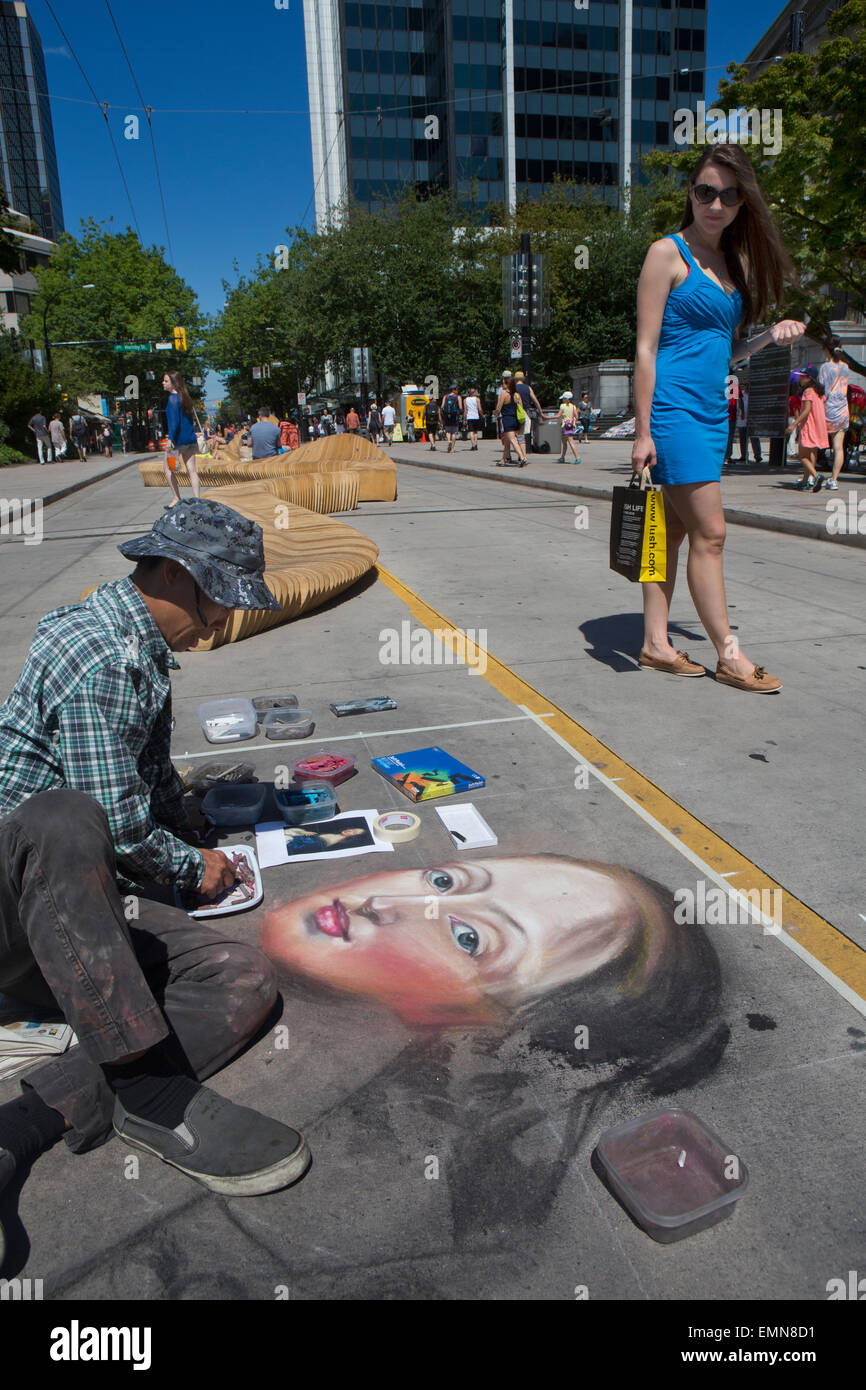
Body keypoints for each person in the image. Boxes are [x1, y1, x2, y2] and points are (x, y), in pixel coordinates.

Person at [0, 506, 309, 1236]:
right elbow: (113, 818)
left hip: (64, 918)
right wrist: (185, 866)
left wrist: (193, 827)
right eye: (220, 598)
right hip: (14, 907)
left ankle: (25, 1122)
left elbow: (148, 775)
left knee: (239, 975)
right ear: (174, 574)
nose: (223, 621)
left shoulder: (140, 650)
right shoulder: (99, 652)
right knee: (64, 817)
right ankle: (149, 1093)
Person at [632, 144, 805, 693]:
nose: (716, 204)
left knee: (676, 531)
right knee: (713, 532)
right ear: (691, 192)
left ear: (740, 205)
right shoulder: (667, 252)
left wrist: (765, 339)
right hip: (673, 411)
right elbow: (645, 348)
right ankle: (729, 655)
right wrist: (641, 431)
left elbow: (719, 353)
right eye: (706, 191)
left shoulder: (734, 265)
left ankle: (656, 644)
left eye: (729, 196)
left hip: (712, 412)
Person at [786, 369, 829, 492]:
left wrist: (794, 424)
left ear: (809, 378)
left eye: (803, 377)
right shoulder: (819, 392)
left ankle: (816, 476)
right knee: (811, 454)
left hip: (809, 426)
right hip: (818, 426)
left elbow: (806, 410)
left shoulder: (808, 391)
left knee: (802, 456)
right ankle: (805, 481)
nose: (800, 379)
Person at [163, 371, 200, 503]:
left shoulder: (172, 399)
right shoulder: (185, 398)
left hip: (177, 442)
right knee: (192, 470)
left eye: (166, 381)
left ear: (174, 383)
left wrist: (170, 439)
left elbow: (175, 422)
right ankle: (197, 498)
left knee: (168, 469)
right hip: (190, 440)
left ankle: (176, 497)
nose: (163, 383)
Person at [819, 340, 850, 490]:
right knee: (839, 447)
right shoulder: (845, 367)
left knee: (816, 443)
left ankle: (811, 475)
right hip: (842, 410)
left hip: (828, 409)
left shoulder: (825, 367)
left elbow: (821, 386)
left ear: (827, 349)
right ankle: (834, 479)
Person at [494, 374, 526, 467]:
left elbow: (498, 409)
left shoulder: (503, 395)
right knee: (507, 440)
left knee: (513, 440)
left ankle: (522, 457)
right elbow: (521, 407)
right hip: (516, 419)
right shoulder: (517, 395)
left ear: (507, 385)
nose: (502, 385)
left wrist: (494, 413)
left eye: (503, 383)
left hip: (507, 419)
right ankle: (503, 459)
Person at [513, 371, 542, 456]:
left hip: (515, 413)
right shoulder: (528, 388)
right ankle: (523, 455)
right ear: (523, 379)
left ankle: (519, 455)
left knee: (514, 436)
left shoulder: (513, 388)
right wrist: (540, 411)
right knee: (522, 435)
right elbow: (535, 400)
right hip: (525, 413)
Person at [735, 384, 762, 464]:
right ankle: (744, 455)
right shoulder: (741, 394)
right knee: (743, 439)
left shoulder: (755, 396)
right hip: (742, 420)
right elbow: (738, 405)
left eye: (749, 385)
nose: (747, 387)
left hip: (752, 420)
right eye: (746, 385)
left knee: (754, 438)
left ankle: (757, 455)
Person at [558, 392, 581, 464]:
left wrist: (548, 417)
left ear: (566, 399)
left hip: (565, 426)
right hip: (571, 426)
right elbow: (577, 417)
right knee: (565, 442)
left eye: (563, 398)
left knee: (570, 442)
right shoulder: (573, 406)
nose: (562, 400)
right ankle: (562, 457)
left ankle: (577, 458)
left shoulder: (562, 406)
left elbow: (558, 415)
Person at [440, 386, 462, 453]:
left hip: (447, 416)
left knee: (448, 431)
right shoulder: (458, 397)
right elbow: (460, 407)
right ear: (454, 390)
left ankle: (449, 441)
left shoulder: (445, 396)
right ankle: (452, 449)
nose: (457, 391)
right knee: (454, 432)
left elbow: (442, 406)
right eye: (457, 389)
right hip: (454, 416)